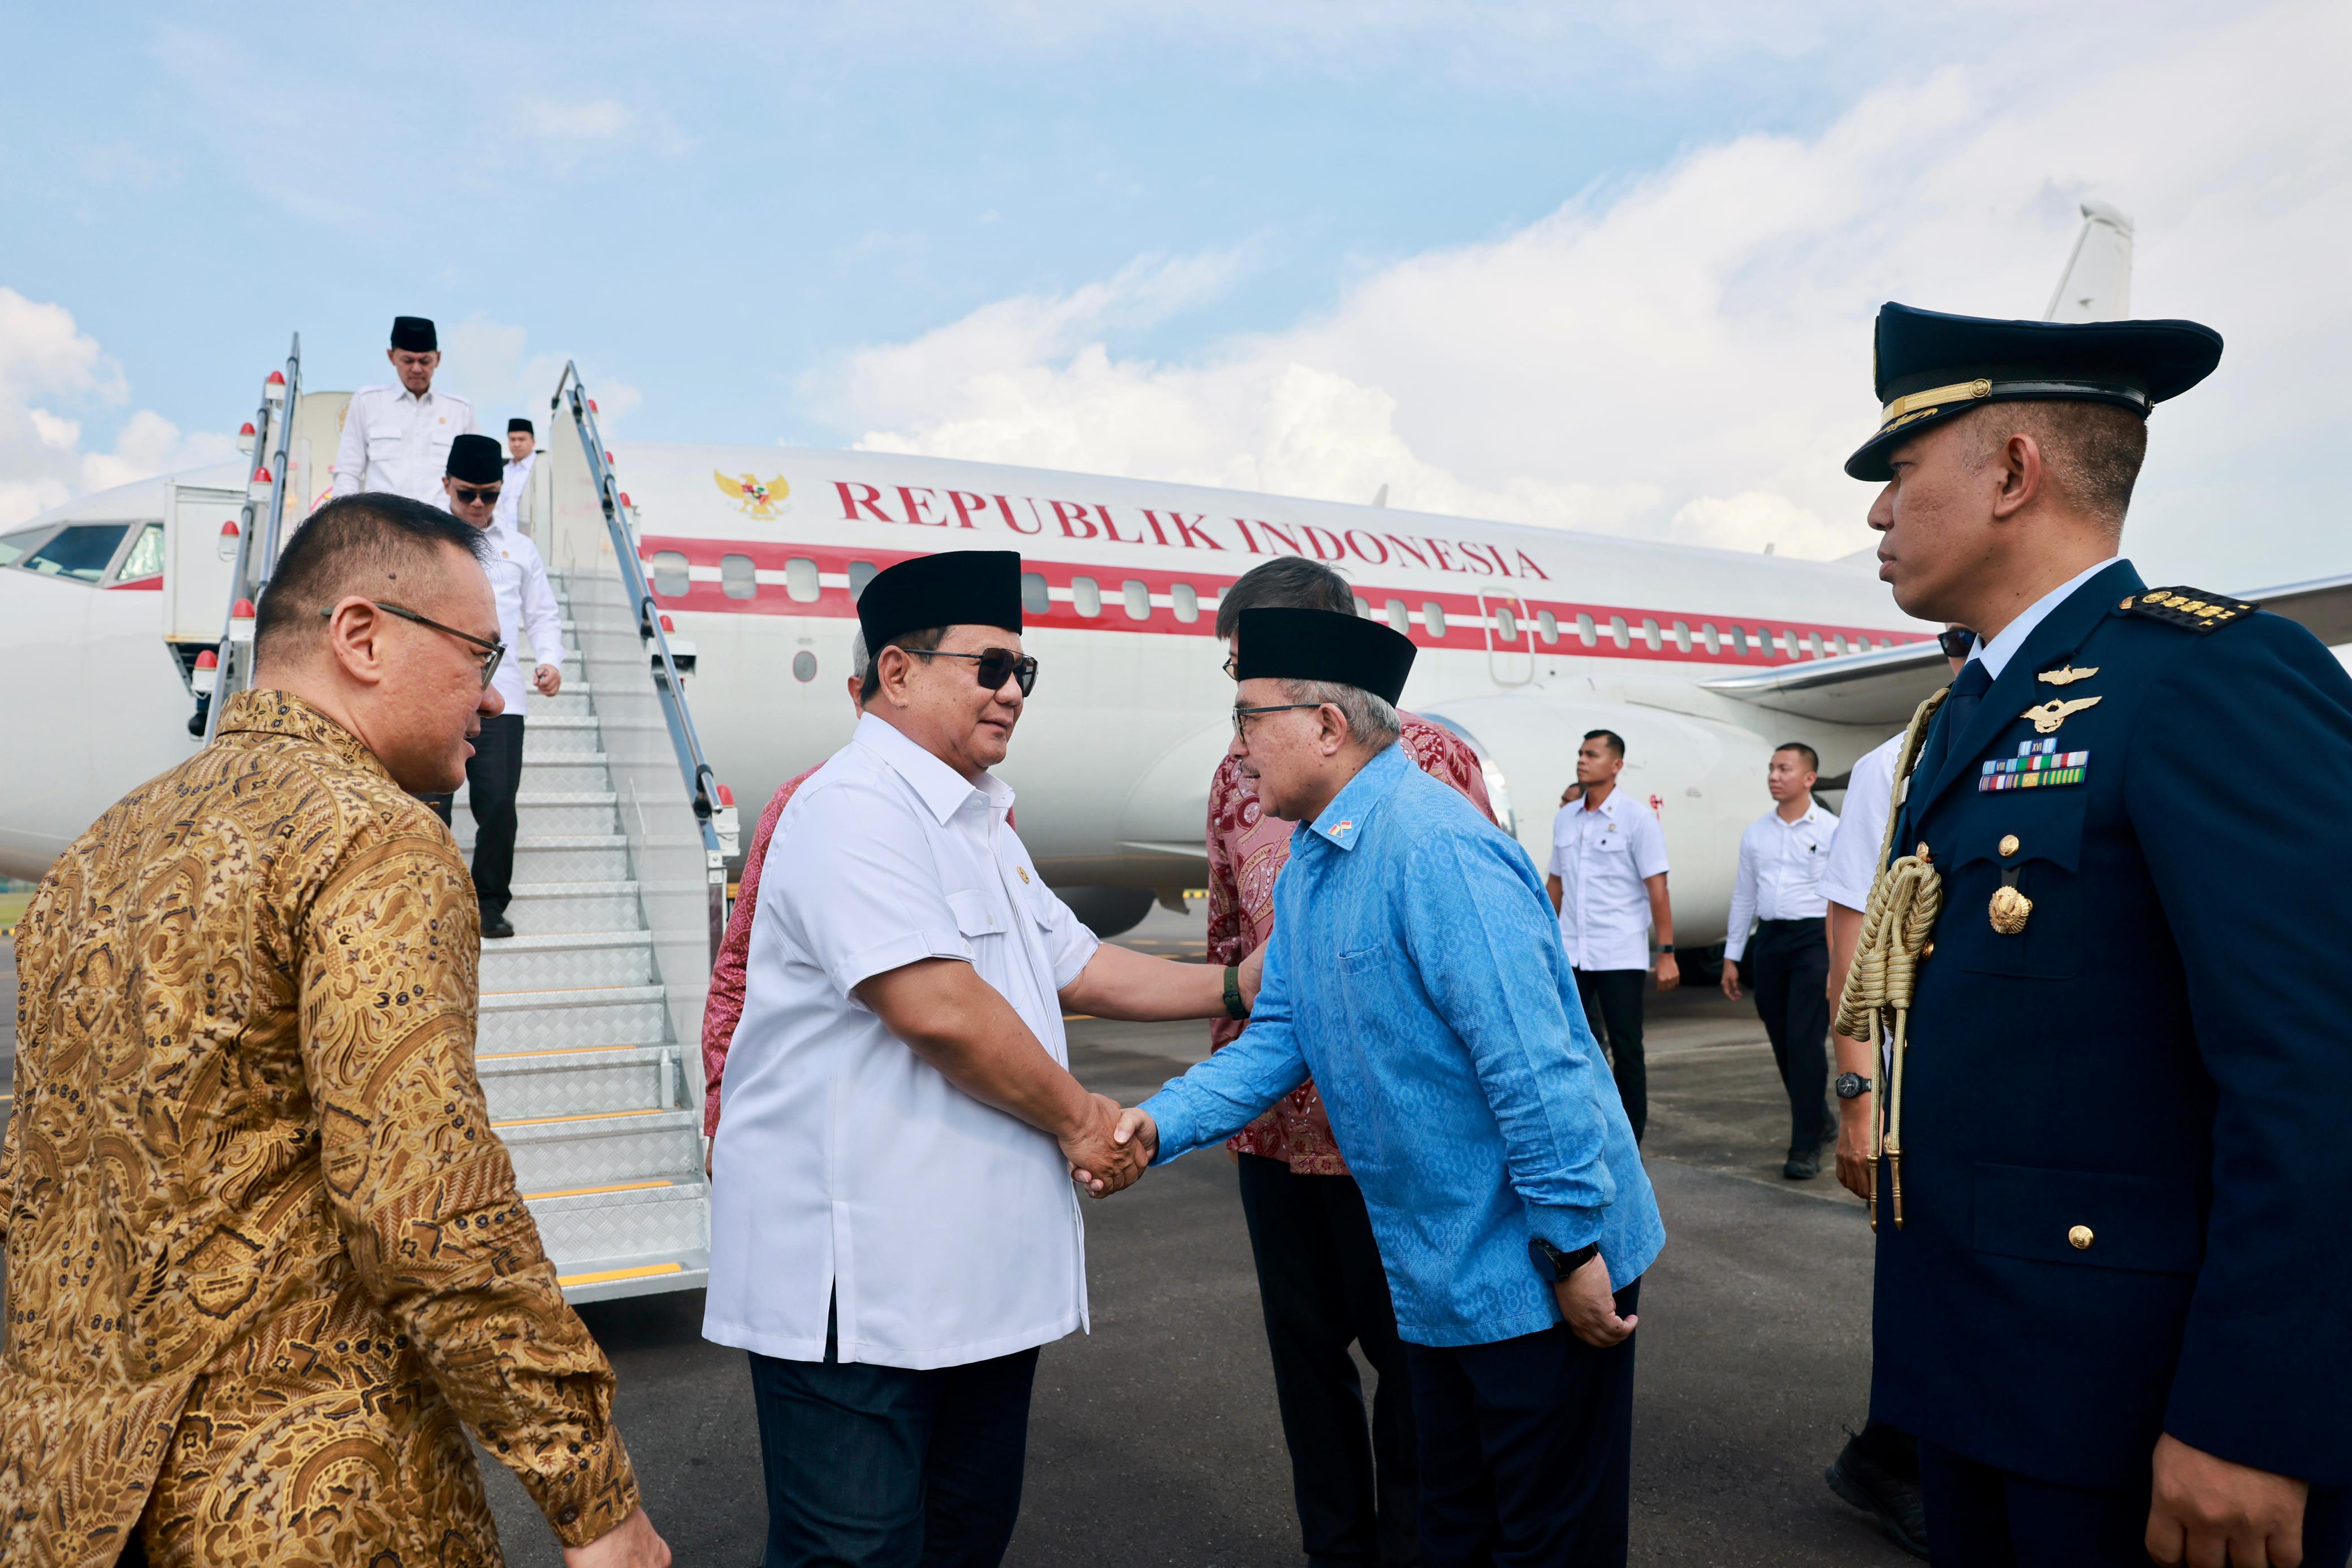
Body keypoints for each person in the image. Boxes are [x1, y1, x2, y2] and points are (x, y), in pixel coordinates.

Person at [0, 494, 667, 1566]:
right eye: (478, 653)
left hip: (62, 1497)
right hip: (297, 1501)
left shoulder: (100, 850)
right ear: (362, 635)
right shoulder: (374, 840)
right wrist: (592, 1490)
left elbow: (38, 1175)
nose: (492, 694)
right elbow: (427, 1203)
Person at [1845, 301, 2352, 1566]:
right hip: (1979, 1380)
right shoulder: (1960, 719)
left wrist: (2257, 1417)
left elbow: (2317, 1074)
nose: (1874, 512)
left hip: (2147, 1420)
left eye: (1900, 472)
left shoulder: (2205, 680)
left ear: (2012, 471)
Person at [701, 550, 1252, 1568]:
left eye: (1024, 673)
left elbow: (1076, 964)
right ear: (899, 672)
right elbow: (938, 1006)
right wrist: (1088, 1120)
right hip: (859, 1303)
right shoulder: (854, 806)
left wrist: (1232, 986)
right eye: (991, 666)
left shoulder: (979, 818)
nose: (1012, 691)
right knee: (857, 1553)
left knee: (963, 1541)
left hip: (977, 1292)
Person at [1119, 605, 1664, 1568]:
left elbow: (1535, 1068)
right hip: (1439, 1278)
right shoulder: (1316, 869)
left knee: (1547, 1541)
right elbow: (1277, 1035)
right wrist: (1153, 1126)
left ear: (1327, 725)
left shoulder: (1436, 850)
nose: (1237, 748)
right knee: (1456, 1531)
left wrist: (1576, 1241)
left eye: (1251, 718)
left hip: (1540, 1272)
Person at [1206, 558, 1497, 1568]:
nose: (1236, 675)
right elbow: (1231, 949)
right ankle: (1337, 1548)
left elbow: (1483, 952)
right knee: (1306, 1364)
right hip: (1277, 1138)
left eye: (1250, 655)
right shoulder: (1233, 772)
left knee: (1416, 1365)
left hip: (1396, 1139)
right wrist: (1218, 1102)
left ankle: (1418, 1548)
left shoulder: (1432, 760)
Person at [1813, 627, 1968, 1562]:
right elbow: (1850, 951)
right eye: (1955, 639)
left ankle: (1899, 1449)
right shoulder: (1893, 762)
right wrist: (1858, 1100)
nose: (1967, 653)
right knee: (1930, 1283)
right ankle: (1893, 1459)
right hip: (1917, 1085)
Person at [701, 634, 866, 1158]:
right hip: (818, 1134)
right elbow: (737, 972)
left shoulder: (986, 813)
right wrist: (720, 1112)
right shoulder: (800, 805)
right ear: (862, 694)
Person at [417, 432, 563, 939]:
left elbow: (543, 614)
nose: (478, 505)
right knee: (432, 801)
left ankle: (489, 903)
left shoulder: (519, 549)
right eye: (467, 494)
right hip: (431, 693)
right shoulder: (421, 540)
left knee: (498, 802)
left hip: (503, 698)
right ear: (447, 486)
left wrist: (550, 661)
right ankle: (426, 901)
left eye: (491, 494)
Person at [1545, 730, 1676, 1140]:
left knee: (1627, 1049)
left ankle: (1631, 1137)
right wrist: (1544, 942)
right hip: (1573, 953)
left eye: (1592, 754)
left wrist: (1667, 952)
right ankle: (1581, 1128)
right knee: (1569, 1044)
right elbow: (1556, 884)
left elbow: (1658, 888)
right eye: (1581, 753)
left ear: (1616, 765)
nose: (1582, 760)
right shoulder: (1566, 817)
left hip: (1620, 952)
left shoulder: (1637, 818)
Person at [1719, 742, 1838, 1179]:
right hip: (1769, 941)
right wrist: (1732, 957)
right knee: (1783, 1041)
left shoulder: (1830, 829)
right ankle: (1820, 1120)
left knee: (1806, 1043)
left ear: (1808, 778)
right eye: (1771, 768)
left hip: (1812, 942)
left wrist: (1838, 960)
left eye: (1784, 769)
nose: (1774, 775)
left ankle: (1805, 1145)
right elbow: (1744, 897)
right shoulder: (1757, 833)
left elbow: (1838, 900)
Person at [331, 315, 479, 506]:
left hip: (442, 529)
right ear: (392, 356)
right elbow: (348, 471)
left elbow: (477, 477)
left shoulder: (460, 411)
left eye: (425, 361)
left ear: (438, 359)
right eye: (408, 360)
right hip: (383, 527)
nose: (417, 369)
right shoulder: (368, 402)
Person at [495, 416, 539, 534]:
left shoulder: (542, 468)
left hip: (536, 536)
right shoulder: (504, 471)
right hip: (505, 536)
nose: (517, 444)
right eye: (513, 440)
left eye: (522, 439)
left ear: (533, 442)